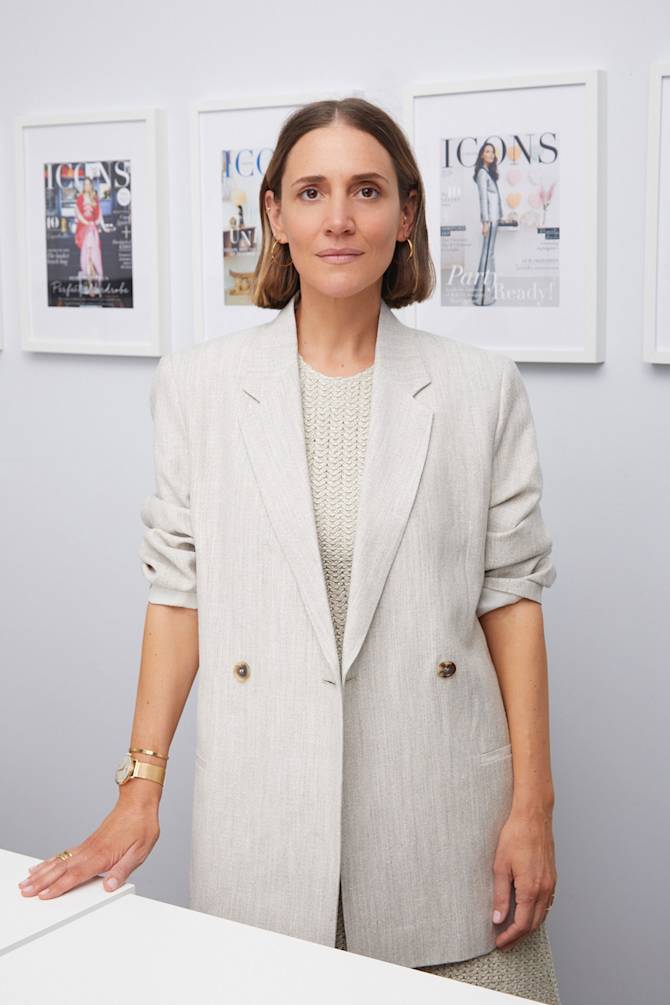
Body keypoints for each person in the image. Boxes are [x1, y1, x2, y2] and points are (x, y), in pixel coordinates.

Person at [18, 98, 560, 1004]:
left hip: (442, 820)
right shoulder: (200, 386)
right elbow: (178, 595)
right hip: (264, 817)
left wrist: (533, 806)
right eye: (312, 192)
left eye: (367, 191)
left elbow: (512, 599)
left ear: (407, 214)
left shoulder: (480, 389)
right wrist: (139, 789)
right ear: (274, 214)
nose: (338, 217)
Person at [472, 141, 504, 307]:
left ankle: (486, 295)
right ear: (482, 155)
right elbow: (483, 199)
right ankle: (481, 297)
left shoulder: (488, 173)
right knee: (486, 255)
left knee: (489, 255)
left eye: (492, 152)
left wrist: (501, 216)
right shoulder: (482, 174)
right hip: (490, 220)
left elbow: (495, 197)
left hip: (494, 219)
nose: (491, 154)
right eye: (487, 151)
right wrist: (485, 221)